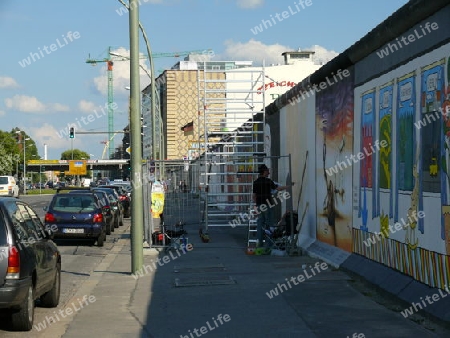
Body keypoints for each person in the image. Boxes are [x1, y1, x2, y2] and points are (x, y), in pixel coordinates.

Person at [252, 164, 293, 254]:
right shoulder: (268, 181)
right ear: (264, 171)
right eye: (267, 171)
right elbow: (278, 188)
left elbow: (254, 196)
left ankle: (259, 245)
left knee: (260, 224)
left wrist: (256, 206)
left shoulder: (256, 182)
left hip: (260, 206)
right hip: (268, 204)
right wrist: (288, 187)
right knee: (270, 224)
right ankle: (269, 245)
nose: (269, 172)